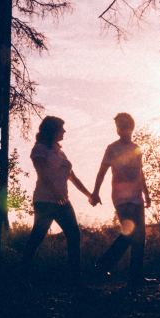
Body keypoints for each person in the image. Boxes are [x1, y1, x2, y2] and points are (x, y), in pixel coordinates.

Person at [23, 116, 94, 285]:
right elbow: (42, 173)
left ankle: (75, 279)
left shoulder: (60, 152)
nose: (64, 131)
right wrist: (55, 193)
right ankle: (22, 274)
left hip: (62, 201)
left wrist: (89, 194)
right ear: (52, 130)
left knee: (74, 235)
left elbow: (72, 177)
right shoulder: (39, 149)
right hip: (45, 201)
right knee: (38, 236)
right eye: (61, 128)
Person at [90, 113, 151, 287]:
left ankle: (136, 277)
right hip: (121, 197)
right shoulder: (112, 148)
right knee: (129, 233)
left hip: (137, 196)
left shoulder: (136, 148)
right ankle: (102, 266)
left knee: (140, 236)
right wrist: (95, 192)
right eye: (118, 126)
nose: (120, 129)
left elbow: (140, 172)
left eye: (123, 126)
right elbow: (102, 171)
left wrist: (146, 193)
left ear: (131, 127)